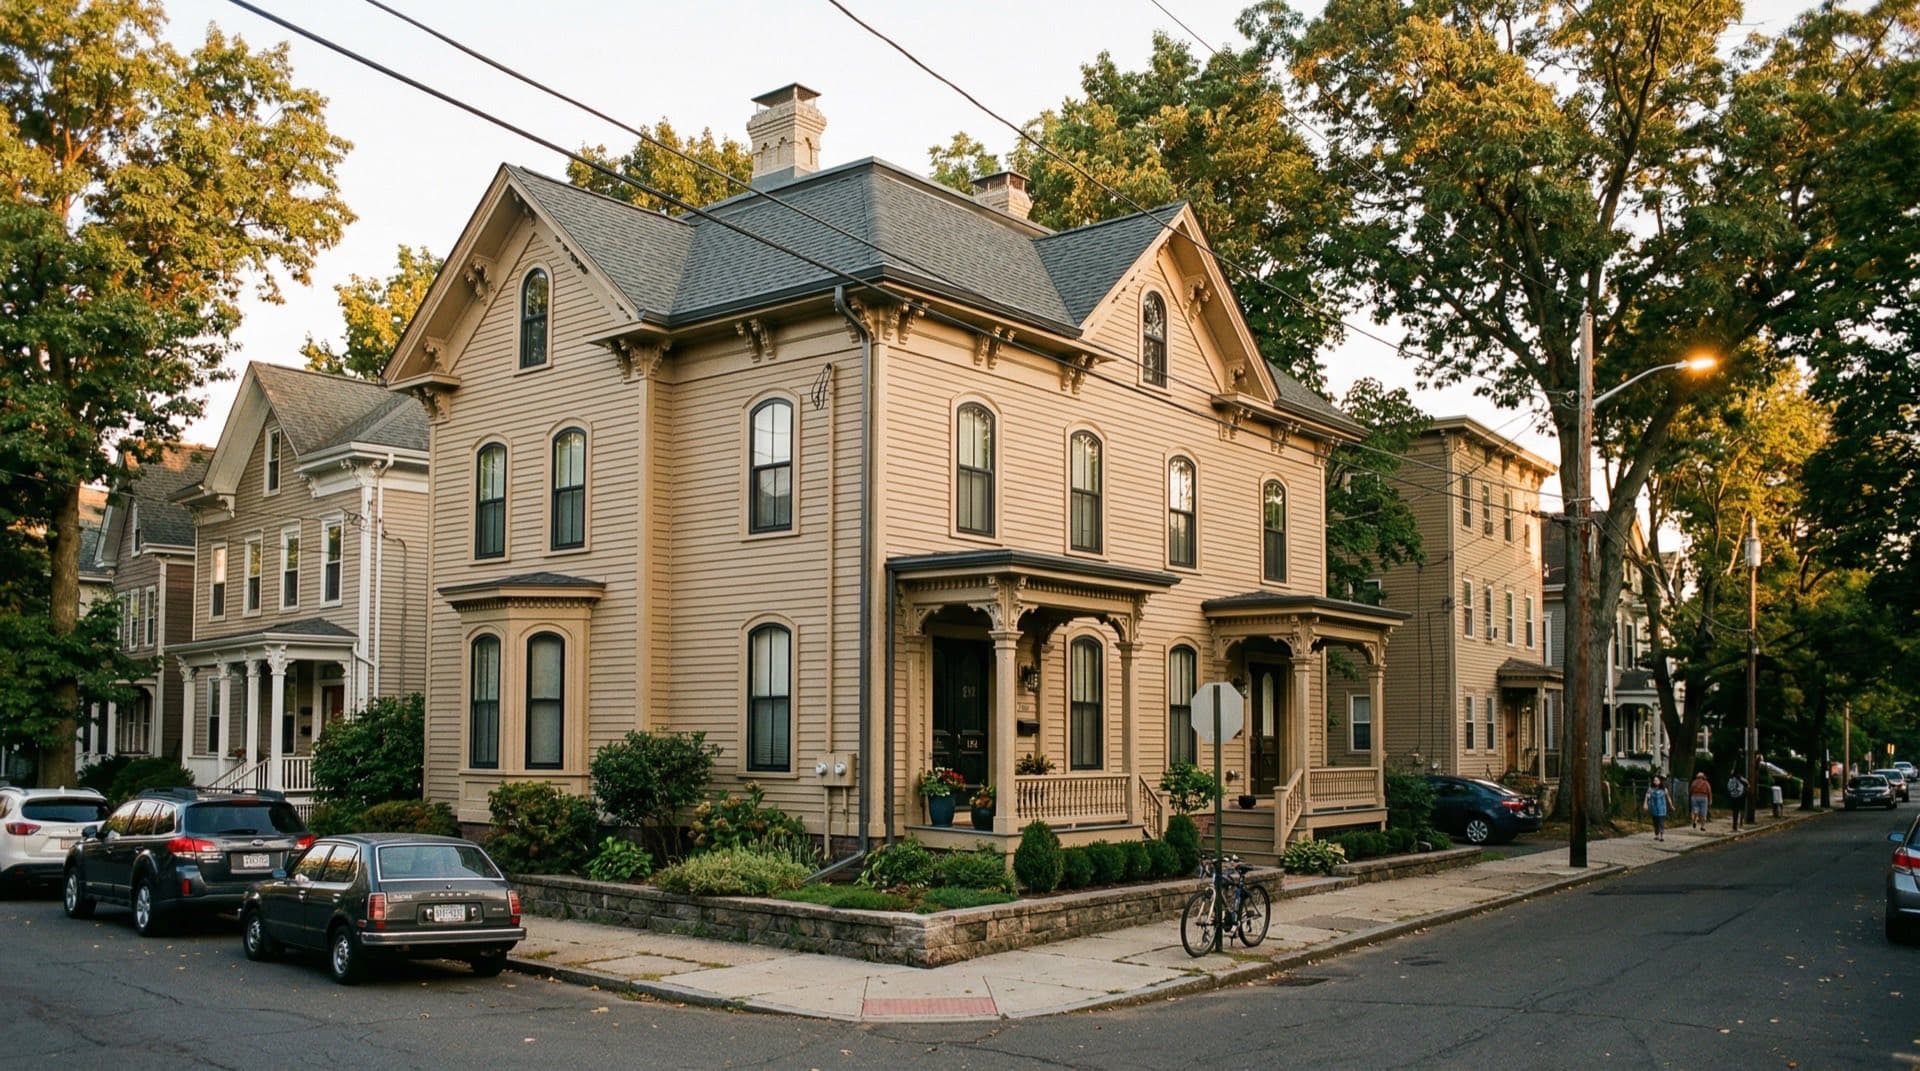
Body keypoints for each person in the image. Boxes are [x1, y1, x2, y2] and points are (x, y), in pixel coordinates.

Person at [1645, 776, 1672, 841]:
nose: (1656, 782)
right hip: (1654, 808)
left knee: (1661, 822)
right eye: (1654, 780)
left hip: (1662, 808)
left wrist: (1671, 805)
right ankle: (1656, 834)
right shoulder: (1650, 789)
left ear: (1660, 781)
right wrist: (1645, 804)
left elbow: (1668, 797)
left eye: (1657, 780)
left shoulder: (1664, 789)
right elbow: (1647, 797)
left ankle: (1661, 836)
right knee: (1655, 823)